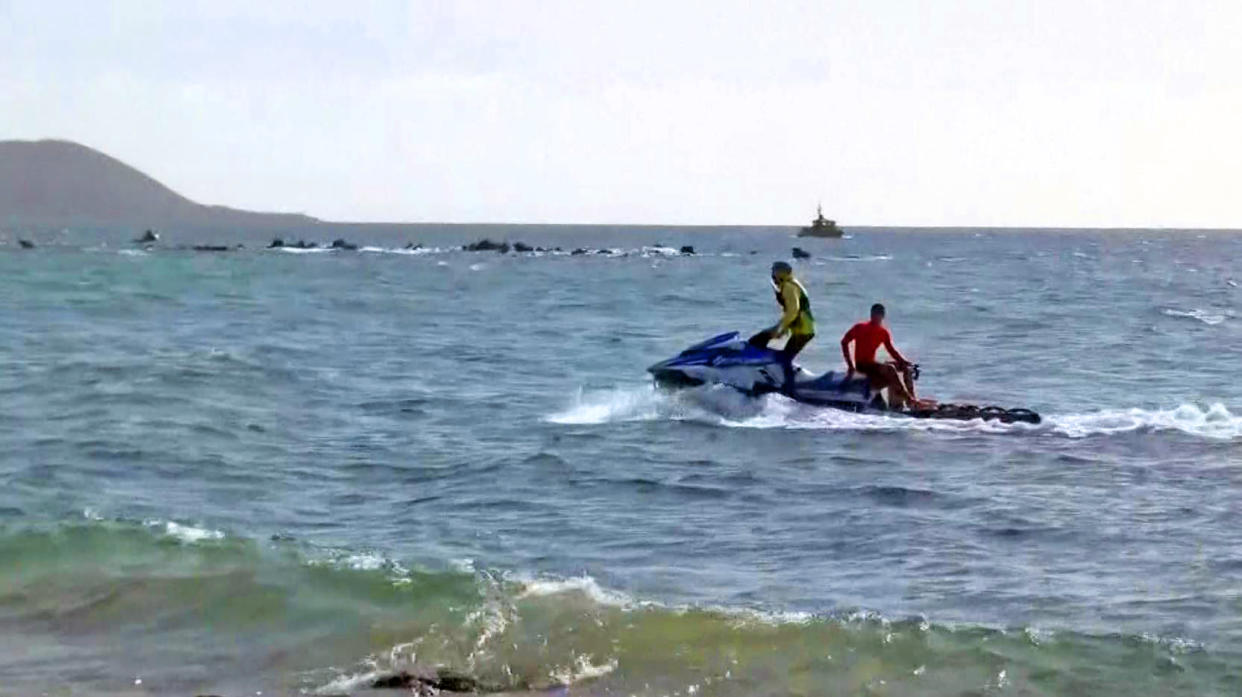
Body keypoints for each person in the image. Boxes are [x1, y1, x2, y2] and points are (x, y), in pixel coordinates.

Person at [840, 303, 932, 410]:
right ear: (871, 315)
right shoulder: (860, 327)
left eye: (878, 315)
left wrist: (904, 362)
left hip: (872, 365)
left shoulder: (883, 332)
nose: (876, 317)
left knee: (904, 368)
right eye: (874, 315)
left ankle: (911, 403)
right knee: (890, 369)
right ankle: (910, 400)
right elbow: (844, 342)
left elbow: (891, 351)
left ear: (882, 316)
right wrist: (850, 366)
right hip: (863, 366)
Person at [749, 261, 815, 391]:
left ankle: (790, 389)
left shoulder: (789, 287)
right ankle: (768, 376)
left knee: (785, 359)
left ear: (782, 273)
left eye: (775, 272)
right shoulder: (789, 284)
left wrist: (780, 328)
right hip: (800, 329)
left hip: (803, 330)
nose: (773, 275)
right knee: (760, 342)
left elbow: (793, 310)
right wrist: (781, 328)